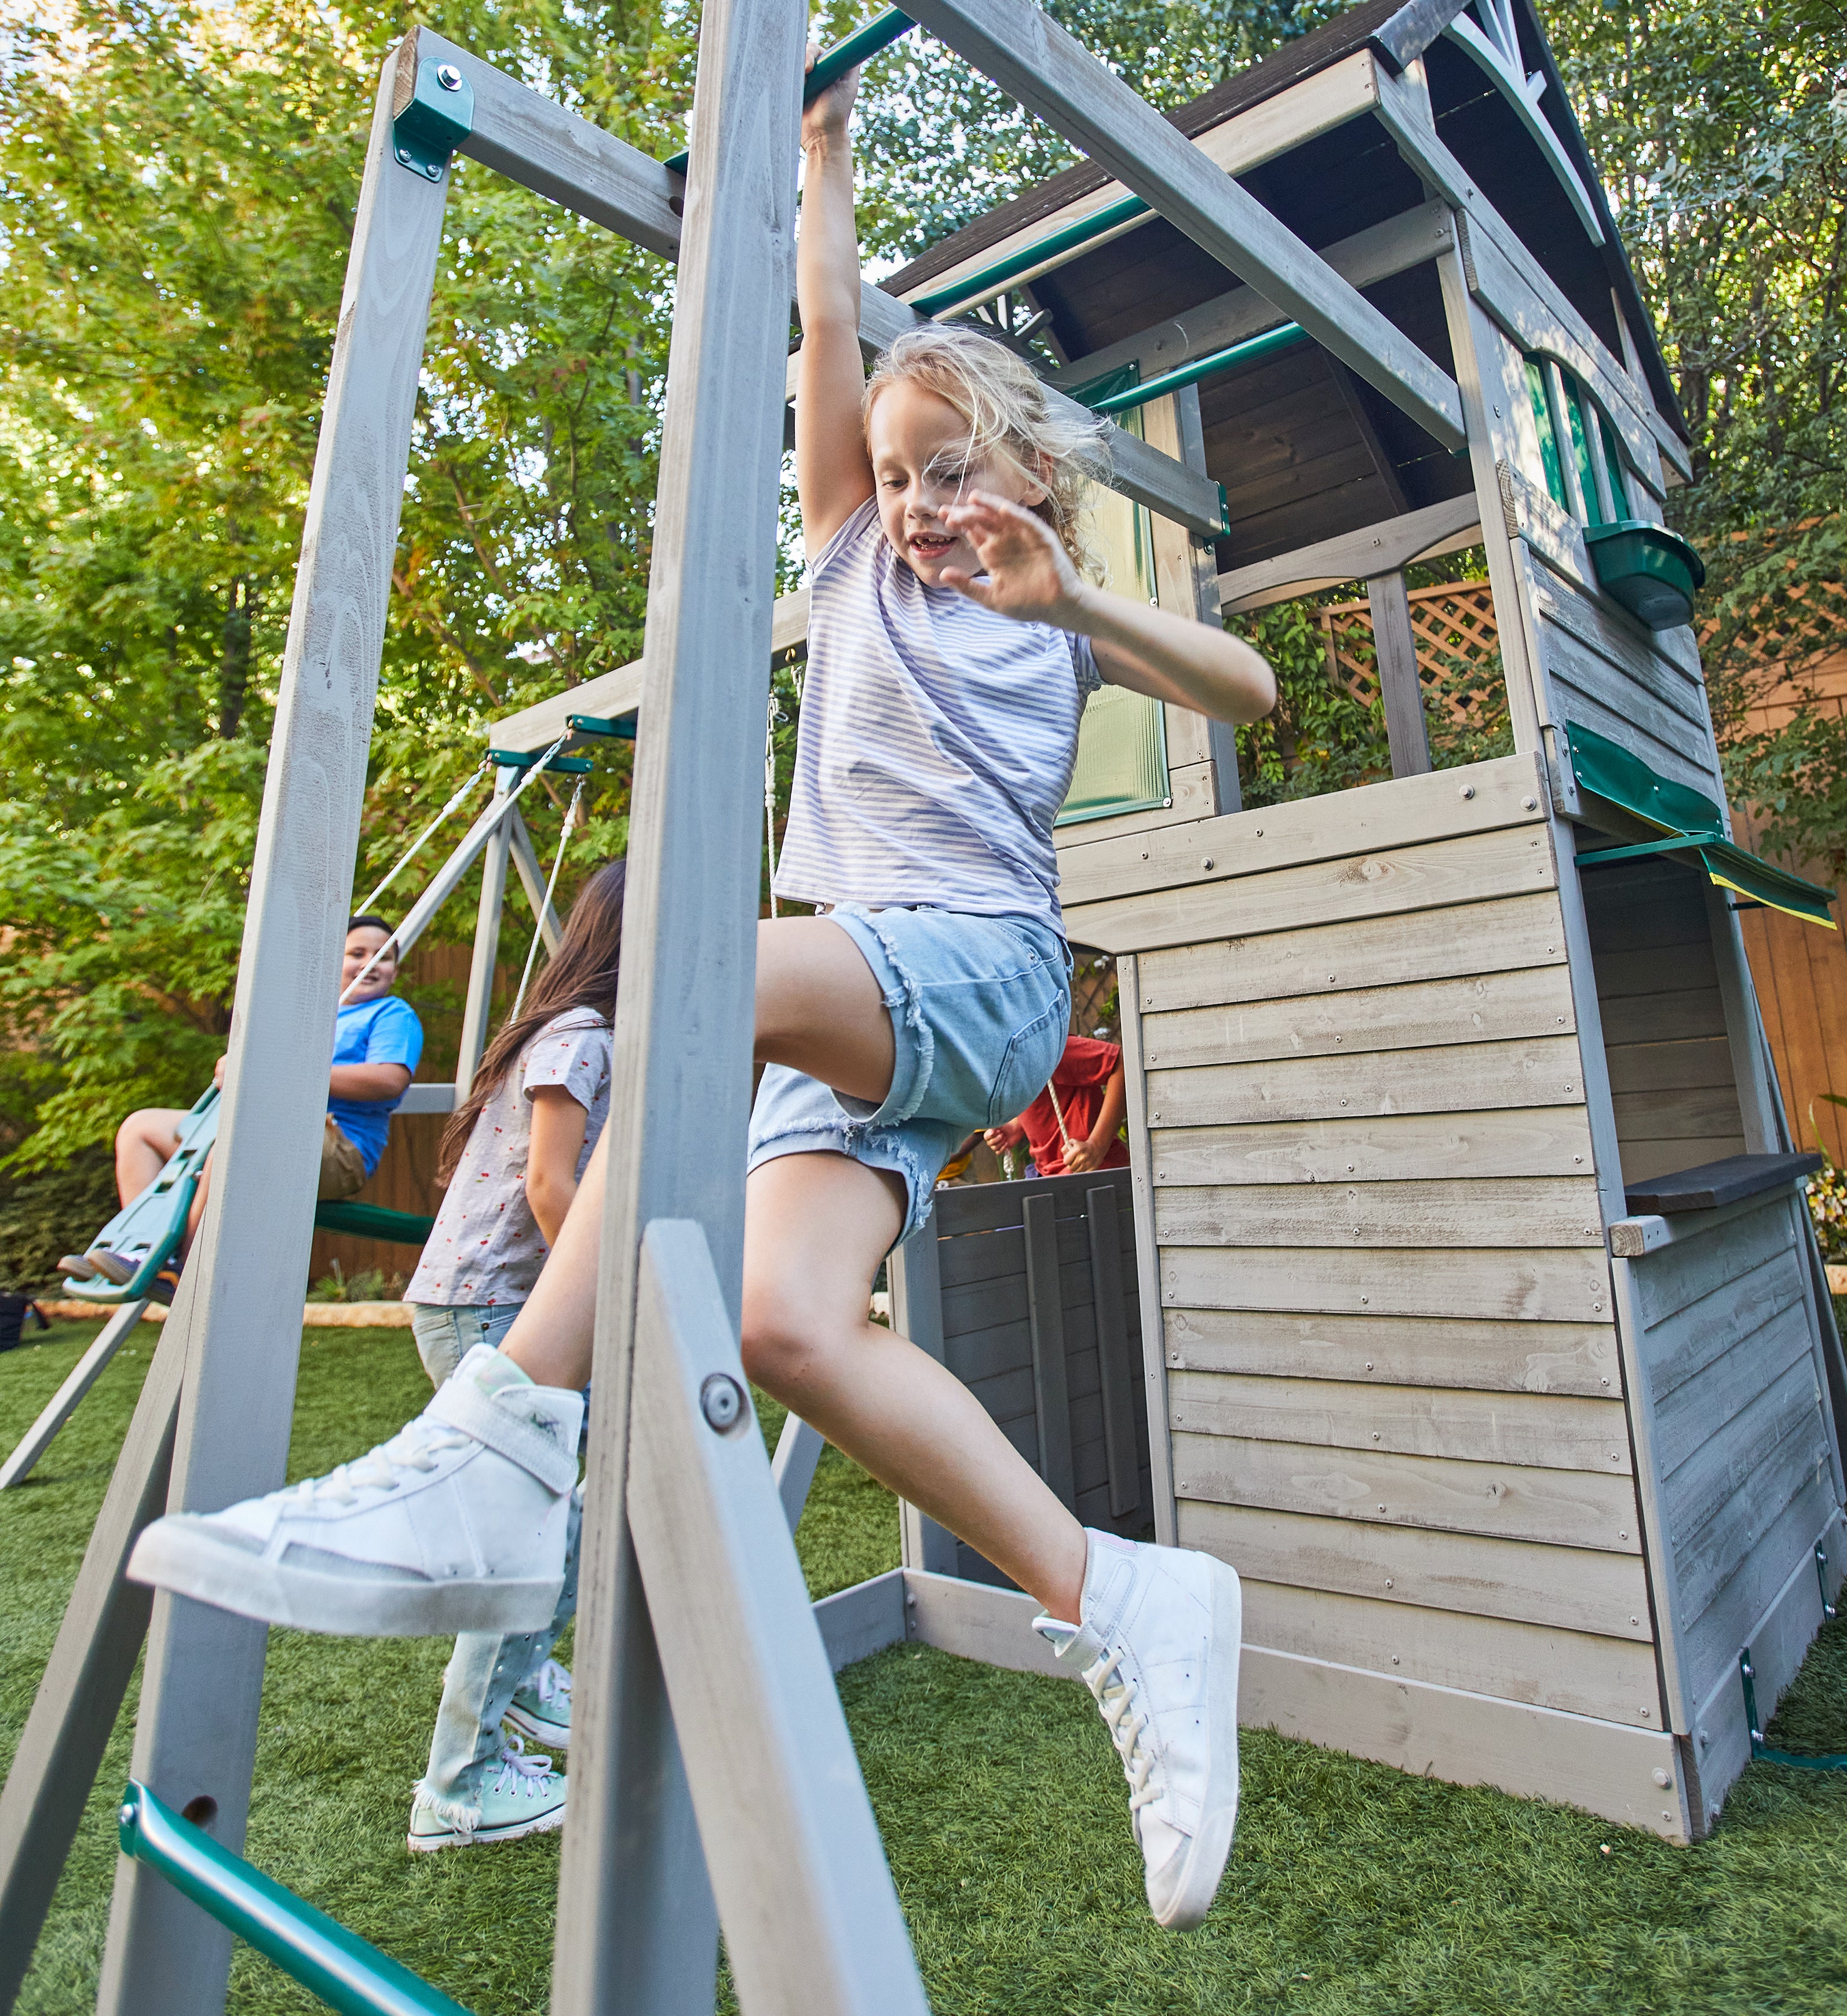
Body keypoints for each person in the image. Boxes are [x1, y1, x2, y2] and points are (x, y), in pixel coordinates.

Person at [130, 49, 1277, 1934]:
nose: (912, 501)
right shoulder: (853, 566)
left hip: (974, 972)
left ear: (1026, 479)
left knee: (691, 971)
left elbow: (1247, 698)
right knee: (785, 1322)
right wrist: (815, 150)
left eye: (948, 472)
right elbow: (822, 320)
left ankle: (502, 1442)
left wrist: (1069, 595)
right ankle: (1120, 1593)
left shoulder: (1041, 626)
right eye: (893, 473)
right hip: (857, 1015)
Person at [400, 856, 625, 1853]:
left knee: (563, 1515)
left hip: (497, 1303)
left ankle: (526, 1685)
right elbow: (548, 1186)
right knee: (532, 1533)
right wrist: (620, 1290)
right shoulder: (580, 1037)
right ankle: (458, 1785)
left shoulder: (585, 1035)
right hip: (488, 1306)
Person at [64, 916, 421, 1285]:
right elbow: (256, 1066)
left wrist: (284, 1072)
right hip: (271, 1131)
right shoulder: (309, 1015)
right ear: (334, 961)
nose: (369, 964)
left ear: (395, 972)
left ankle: (184, 1269)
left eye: (382, 957)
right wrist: (233, 1067)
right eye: (356, 953)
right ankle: (141, 1247)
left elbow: (389, 1080)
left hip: (338, 1148)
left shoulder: (392, 1014)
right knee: (140, 1127)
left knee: (233, 1144)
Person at [987, 1032, 1129, 1178]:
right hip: (1048, 1173)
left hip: (1092, 1174)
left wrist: (1098, 1146)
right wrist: (1016, 1126)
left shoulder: (1045, 1050)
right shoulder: (1004, 1062)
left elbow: (1121, 1064)